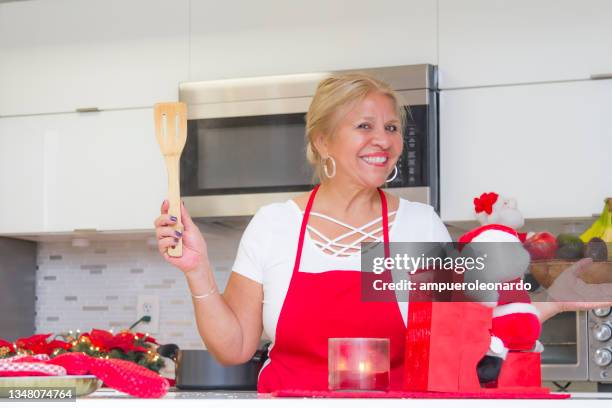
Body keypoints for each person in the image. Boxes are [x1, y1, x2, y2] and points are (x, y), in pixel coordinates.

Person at [154, 72, 611, 392]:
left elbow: (466, 338)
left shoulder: (417, 224)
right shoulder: (276, 225)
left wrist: (548, 304)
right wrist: (196, 272)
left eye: (391, 127)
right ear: (322, 141)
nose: (385, 140)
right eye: (364, 126)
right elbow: (235, 348)